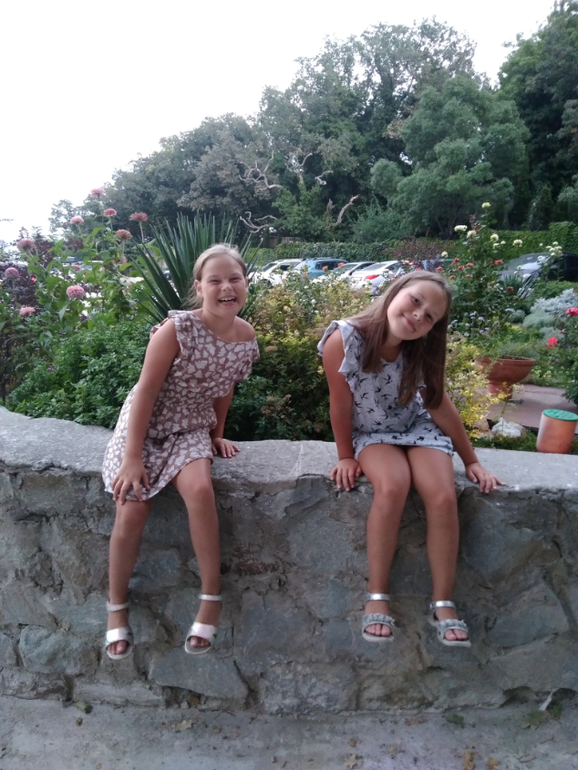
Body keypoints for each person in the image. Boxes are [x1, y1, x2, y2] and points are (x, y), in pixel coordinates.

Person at [318, 272, 501, 647]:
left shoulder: (421, 349)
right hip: (372, 432)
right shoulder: (344, 339)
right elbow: (340, 403)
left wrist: (471, 460)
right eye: (416, 300)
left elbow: (437, 403)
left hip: (416, 426)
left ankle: (443, 602)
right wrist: (345, 456)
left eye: (430, 316)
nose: (418, 315)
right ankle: (377, 595)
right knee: (392, 486)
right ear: (397, 291)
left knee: (443, 496)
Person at [101, 244, 259, 659]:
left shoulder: (245, 337)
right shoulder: (176, 330)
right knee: (132, 506)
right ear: (199, 287)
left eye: (235, 279)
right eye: (215, 280)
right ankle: (116, 607)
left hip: (191, 425)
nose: (226, 287)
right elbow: (146, 392)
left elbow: (224, 389)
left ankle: (211, 596)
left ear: (246, 284)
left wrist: (217, 434)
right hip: (145, 424)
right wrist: (132, 457)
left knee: (201, 490)